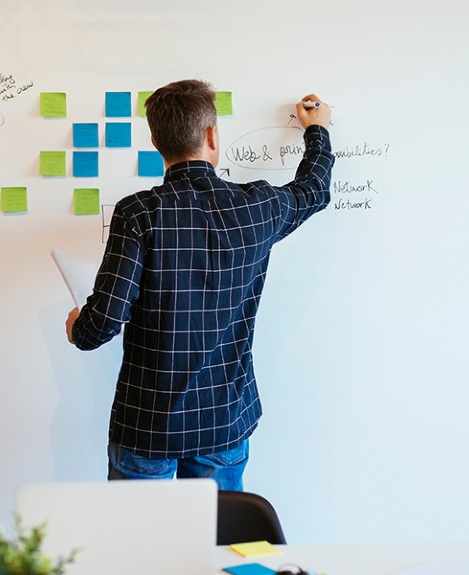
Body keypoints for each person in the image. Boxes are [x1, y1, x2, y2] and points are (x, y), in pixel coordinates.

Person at [65, 79, 334, 490]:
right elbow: (313, 191)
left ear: (156, 141)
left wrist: (77, 326)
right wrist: (317, 129)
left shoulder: (138, 214)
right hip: (223, 417)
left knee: (135, 547)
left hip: (147, 422)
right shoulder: (257, 207)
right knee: (219, 544)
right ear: (212, 135)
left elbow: (100, 324)